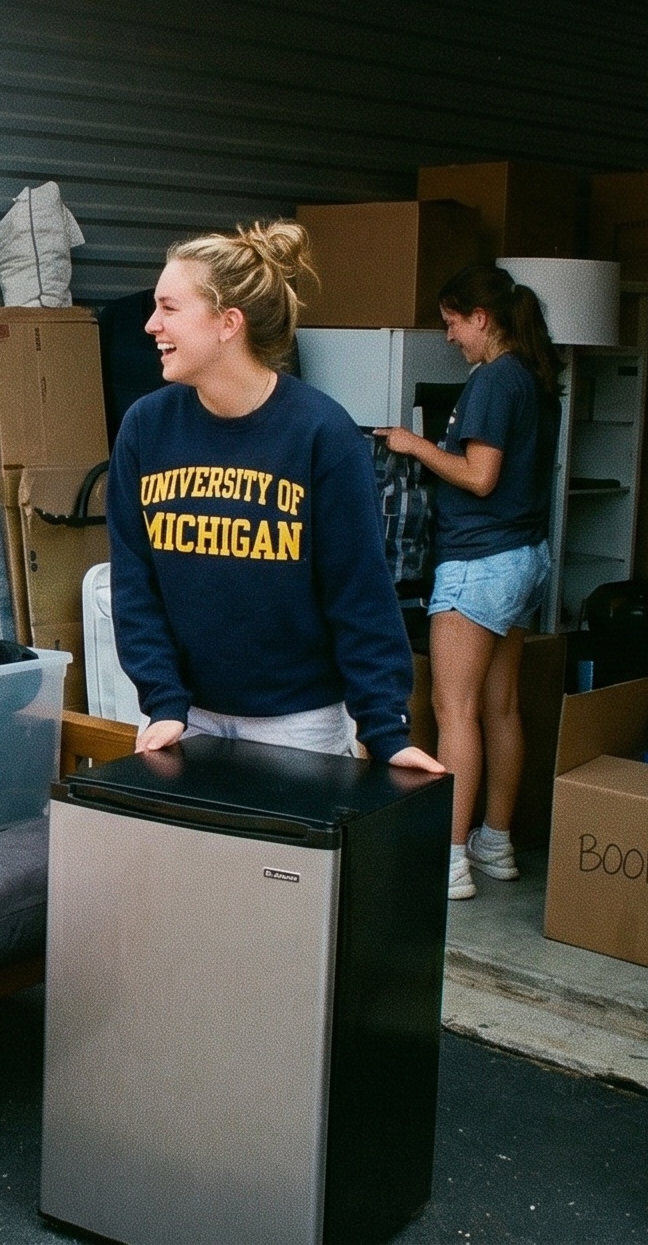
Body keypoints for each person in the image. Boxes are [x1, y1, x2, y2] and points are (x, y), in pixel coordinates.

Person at [108, 220, 445, 781]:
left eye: (169, 308)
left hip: (300, 726)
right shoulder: (146, 428)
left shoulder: (321, 433)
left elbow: (359, 590)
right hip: (186, 721)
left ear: (227, 323)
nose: (150, 324)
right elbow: (134, 581)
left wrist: (384, 729)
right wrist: (163, 700)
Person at [382, 263, 561, 901]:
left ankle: (449, 861)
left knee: (452, 710)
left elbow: (480, 476)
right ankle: (495, 843)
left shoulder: (493, 378)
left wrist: (414, 444)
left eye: (454, 323)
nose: (451, 336)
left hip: (478, 562)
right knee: (501, 708)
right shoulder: (537, 379)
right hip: (523, 559)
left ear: (481, 319)